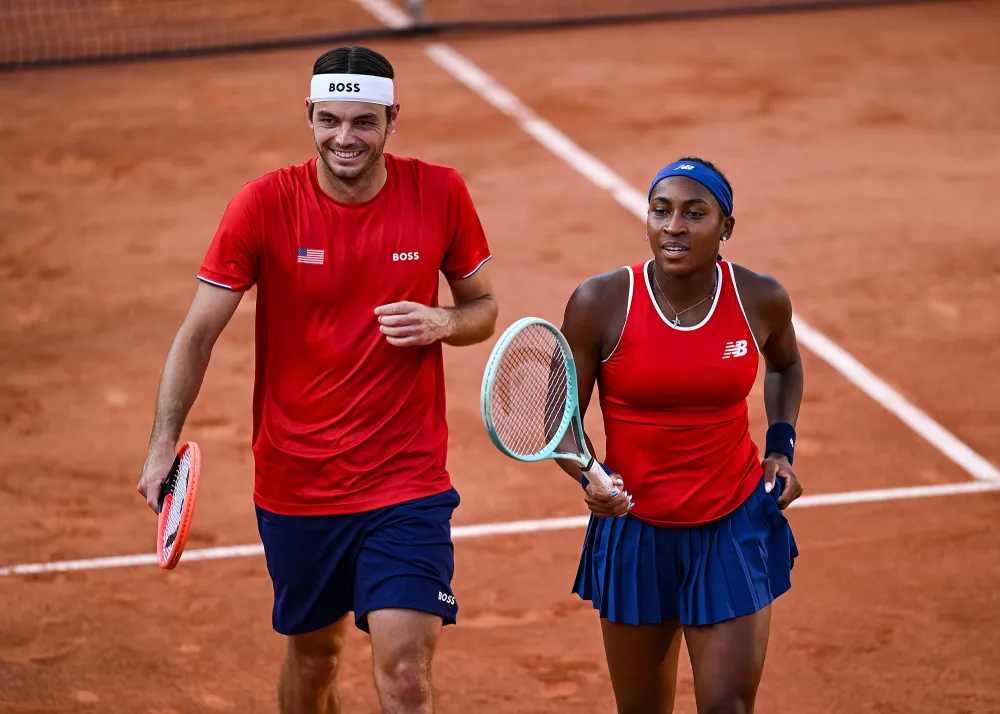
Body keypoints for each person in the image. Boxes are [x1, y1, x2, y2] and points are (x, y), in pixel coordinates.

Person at [136, 46, 498, 714]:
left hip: (406, 478)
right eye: (329, 120)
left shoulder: (441, 192)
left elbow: (484, 309)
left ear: (393, 119)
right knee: (314, 659)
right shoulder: (263, 205)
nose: (345, 137)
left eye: (364, 122)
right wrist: (162, 446)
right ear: (308, 115)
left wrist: (444, 321)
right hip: (298, 483)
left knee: (407, 674)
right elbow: (196, 334)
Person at [557, 157, 803, 713]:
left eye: (695, 213)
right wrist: (590, 474)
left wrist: (781, 448)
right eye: (660, 211)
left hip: (732, 522)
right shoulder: (600, 302)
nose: (674, 227)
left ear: (726, 227)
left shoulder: (759, 297)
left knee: (728, 706)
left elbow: (786, 365)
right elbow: (560, 416)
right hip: (635, 528)